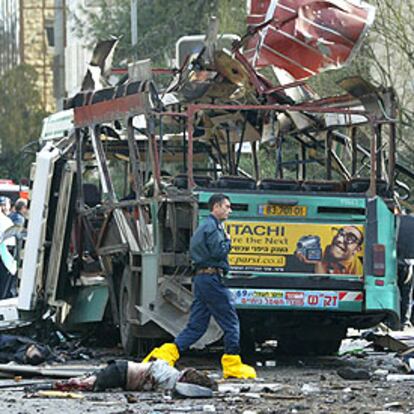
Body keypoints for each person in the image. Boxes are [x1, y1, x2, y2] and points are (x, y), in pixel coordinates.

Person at [142, 193, 256, 379]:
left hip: (202, 280)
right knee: (231, 322)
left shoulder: (204, 226)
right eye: (227, 206)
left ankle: (164, 355)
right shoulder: (213, 228)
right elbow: (219, 251)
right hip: (212, 280)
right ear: (216, 207)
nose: (230, 210)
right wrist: (228, 240)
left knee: (196, 326)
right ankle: (233, 364)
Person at [38, 359, 216, 395]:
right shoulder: (171, 378)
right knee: (85, 385)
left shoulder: (170, 371)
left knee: (88, 382)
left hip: (121, 370)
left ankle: (57, 386)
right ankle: (51, 387)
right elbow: (161, 384)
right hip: (120, 373)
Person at [296, 226, 364, 275]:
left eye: (350, 238)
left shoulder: (357, 268)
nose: (339, 239)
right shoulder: (315, 252)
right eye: (340, 233)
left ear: (357, 249)